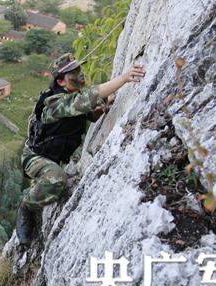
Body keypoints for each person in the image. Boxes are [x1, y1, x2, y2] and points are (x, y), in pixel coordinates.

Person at [16, 53, 145, 243]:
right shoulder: (54, 103)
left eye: (79, 70)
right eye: (73, 73)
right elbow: (86, 98)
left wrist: (104, 106)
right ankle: (27, 206)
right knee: (56, 178)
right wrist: (124, 78)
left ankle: (40, 190)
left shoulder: (70, 96)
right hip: (35, 158)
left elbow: (88, 114)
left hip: (56, 157)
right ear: (60, 81)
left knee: (56, 174)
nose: (80, 75)